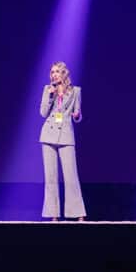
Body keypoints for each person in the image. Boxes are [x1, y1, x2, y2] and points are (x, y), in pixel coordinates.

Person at [39, 61, 87, 221]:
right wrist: (51, 95)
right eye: (52, 72)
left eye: (57, 72)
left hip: (66, 135)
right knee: (50, 177)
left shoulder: (75, 91)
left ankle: (78, 213)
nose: (54, 74)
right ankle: (53, 215)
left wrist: (77, 115)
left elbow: (78, 114)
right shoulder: (47, 89)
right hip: (48, 135)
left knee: (71, 175)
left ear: (64, 74)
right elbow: (43, 112)